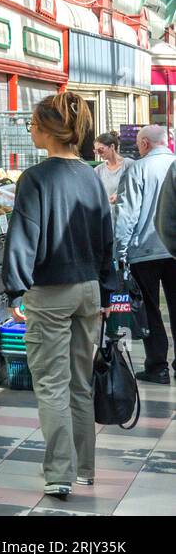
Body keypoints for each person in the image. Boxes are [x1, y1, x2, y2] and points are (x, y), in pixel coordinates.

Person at [1, 93, 114, 499]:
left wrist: (15, 288)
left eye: (32, 123)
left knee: (51, 384)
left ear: (49, 129)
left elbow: (23, 238)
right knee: (79, 383)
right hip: (89, 290)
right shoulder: (91, 175)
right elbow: (107, 238)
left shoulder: (35, 178)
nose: (30, 130)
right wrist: (106, 287)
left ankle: (59, 474)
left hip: (50, 293)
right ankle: (84, 468)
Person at [114, 125, 176, 384]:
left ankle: (157, 367)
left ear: (145, 144)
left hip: (144, 252)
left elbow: (127, 214)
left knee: (150, 311)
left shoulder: (138, 169)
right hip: (173, 252)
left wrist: (120, 250)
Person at [93, 131, 130, 211]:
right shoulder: (98, 170)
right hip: (107, 216)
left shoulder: (129, 165)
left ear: (112, 146)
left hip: (126, 217)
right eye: (96, 151)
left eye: (101, 150)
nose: (98, 153)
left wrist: (120, 196)